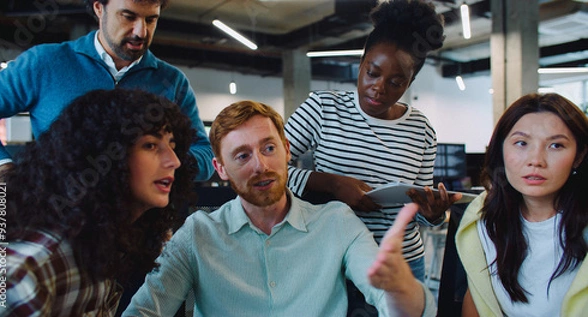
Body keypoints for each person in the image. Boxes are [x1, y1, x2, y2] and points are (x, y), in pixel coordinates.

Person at [122, 100, 436, 317]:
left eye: (269, 148)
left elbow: (394, 304)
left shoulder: (336, 222)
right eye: (242, 156)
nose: (261, 166)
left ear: (286, 151)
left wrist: (400, 288)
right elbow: (145, 310)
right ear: (221, 168)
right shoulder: (198, 234)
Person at [284, 0, 460, 282]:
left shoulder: (422, 129)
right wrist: (332, 183)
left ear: (410, 82)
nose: (378, 88)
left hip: (401, 263)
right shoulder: (323, 108)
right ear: (360, 64)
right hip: (335, 259)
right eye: (373, 72)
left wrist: (434, 214)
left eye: (395, 82)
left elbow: (417, 210)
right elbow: (269, 169)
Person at [0, 88, 197, 316]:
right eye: (150, 145)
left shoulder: (96, 244)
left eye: (173, 146)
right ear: (99, 155)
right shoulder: (26, 271)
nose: (174, 161)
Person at [0, 0, 214, 183]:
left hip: (144, 227)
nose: (141, 32)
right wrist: (2, 167)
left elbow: (203, 153)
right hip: (59, 217)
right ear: (99, 8)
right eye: (128, 16)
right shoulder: (44, 63)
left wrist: (157, 162)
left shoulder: (171, 81)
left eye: (151, 19)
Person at [455, 93, 588, 317]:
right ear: (501, 150)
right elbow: (477, 297)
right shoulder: (483, 218)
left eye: (556, 145)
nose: (536, 160)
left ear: (579, 156)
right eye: (521, 143)